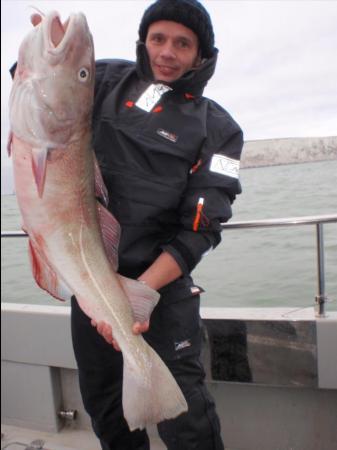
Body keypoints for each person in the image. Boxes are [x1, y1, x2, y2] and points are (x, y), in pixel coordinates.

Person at [52, 0, 242, 448]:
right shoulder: (110, 80)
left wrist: (138, 296)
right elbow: (42, 82)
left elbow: (203, 228)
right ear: (144, 41)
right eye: (158, 38)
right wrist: (53, 41)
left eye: (183, 43)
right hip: (92, 283)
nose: (167, 52)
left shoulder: (222, 129)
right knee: (106, 410)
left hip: (162, 291)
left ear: (201, 54)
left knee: (186, 418)